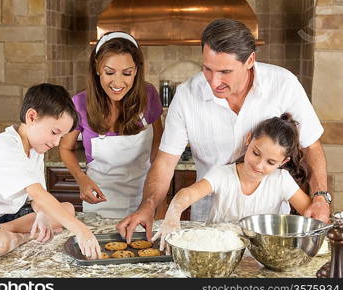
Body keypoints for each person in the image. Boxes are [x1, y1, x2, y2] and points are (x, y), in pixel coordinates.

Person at [117, 18, 330, 243]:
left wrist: (319, 197)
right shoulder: (187, 95)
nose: (214, 81)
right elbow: (165, 162)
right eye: (207, 69)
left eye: (225, 71)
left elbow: (311, 146)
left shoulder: (283, 84)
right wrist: (148, 206)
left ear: (250, 60)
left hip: (268, 231)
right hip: (209, 227)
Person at [0, 83, 102, 260]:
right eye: (54, 132)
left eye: (61, 137)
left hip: (7, 216)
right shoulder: (5, 147)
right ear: (32, 116)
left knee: (68, 209)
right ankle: (19, 235)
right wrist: (81, 230)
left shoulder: (35, 150)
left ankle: (4, 231)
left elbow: (36, 200)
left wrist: (41, 214)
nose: (57, 142)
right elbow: (39, 194)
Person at [153, 113, 313, 253]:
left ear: (283, 162)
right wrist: (173, 214)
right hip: (217, 255)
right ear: (248, 139)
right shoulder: (222, 175)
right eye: (256, 153)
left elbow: (312, 215)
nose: (259, 165)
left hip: (261, 260)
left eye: (270, 162)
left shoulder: (281, 180)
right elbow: (187, 194)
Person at [59, 32, 163, 218]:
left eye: (127, 73)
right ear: (97, 67)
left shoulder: (148, 95)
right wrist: (81, 179)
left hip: (143, 198)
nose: (117, 82)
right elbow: (66, 148)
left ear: (136, 71)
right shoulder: (80, 103)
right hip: (99, 200)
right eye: (109, 72)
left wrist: (154, 191)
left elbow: (158, 141)